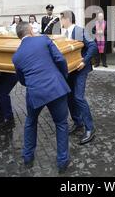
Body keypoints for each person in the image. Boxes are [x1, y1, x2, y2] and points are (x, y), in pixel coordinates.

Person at [12, 21, 71, 173]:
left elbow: (22, 79)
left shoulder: (16, 56)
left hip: (35, 92)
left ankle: (27, 157)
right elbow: (60, 60)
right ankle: (62, 161)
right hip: (56, 88)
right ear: (31, 30)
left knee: (30, 122)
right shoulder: (43, 39)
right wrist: (62, 77)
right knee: (61, 124)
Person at [60, 10, 98, 145]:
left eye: (61, 19)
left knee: (78, 97)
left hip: (81, 68)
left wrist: (83, 61)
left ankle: (90, 128)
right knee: (69, 96)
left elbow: (93, 46)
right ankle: (78, 123)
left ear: (67, 19)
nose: (60, 21)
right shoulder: (63, 33)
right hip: (70, 70)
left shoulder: (80, 30)